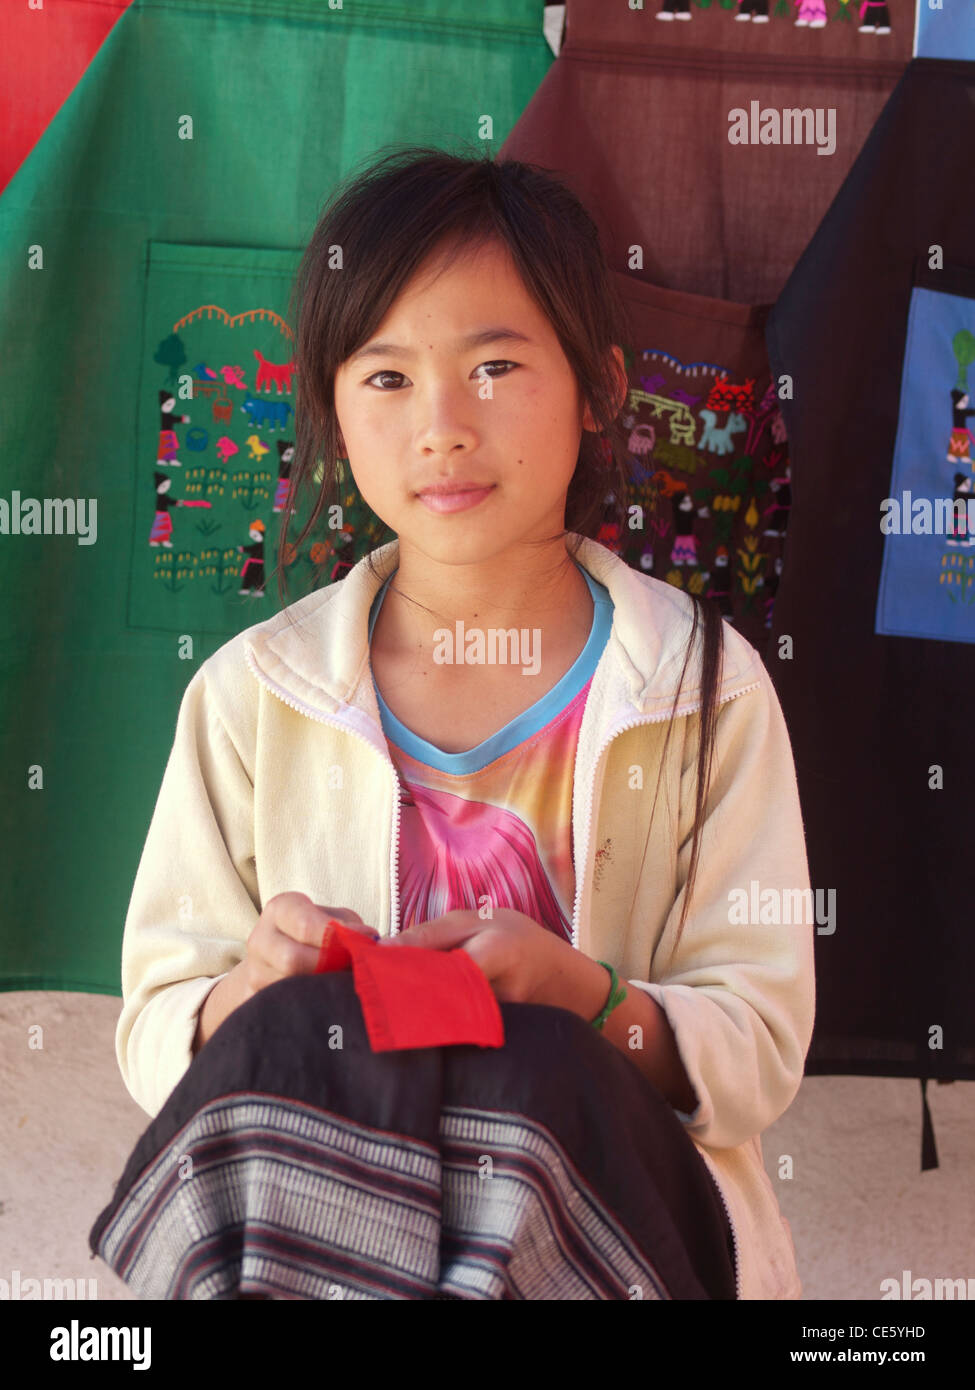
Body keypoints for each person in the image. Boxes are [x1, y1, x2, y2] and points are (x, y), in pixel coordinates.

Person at [89, 147, 815, 1301]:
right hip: (325, 1243)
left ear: (599, 388)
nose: (441, 425)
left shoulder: (705, 691)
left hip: (606, 1242)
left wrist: (588, 999)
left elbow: (758, 1047)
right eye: (385, 378)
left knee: (538, 1078)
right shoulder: (251, 697)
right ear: (327, 407)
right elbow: (155, 1026)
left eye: (493, 365)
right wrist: (250, 991)